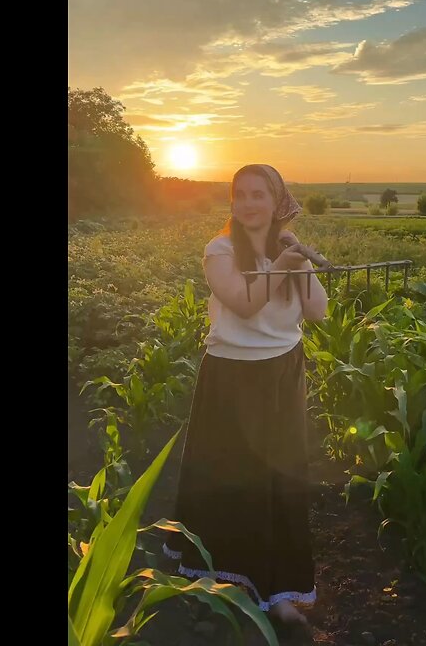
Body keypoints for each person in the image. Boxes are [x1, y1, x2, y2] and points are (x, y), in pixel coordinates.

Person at [163, 163, 328, 640]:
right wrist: (282, 267)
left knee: (279, 481)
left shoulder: (286, 249)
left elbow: (316, 312)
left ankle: (278, 596)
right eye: (242, 193)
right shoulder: (219, 250)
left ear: (279, 201)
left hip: (282, 373)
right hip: (233, 378)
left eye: (261, 193)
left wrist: (300, 262)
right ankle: (218, 587)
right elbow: (243, 302)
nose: (250, 202)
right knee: (230, 480)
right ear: (233, 201)